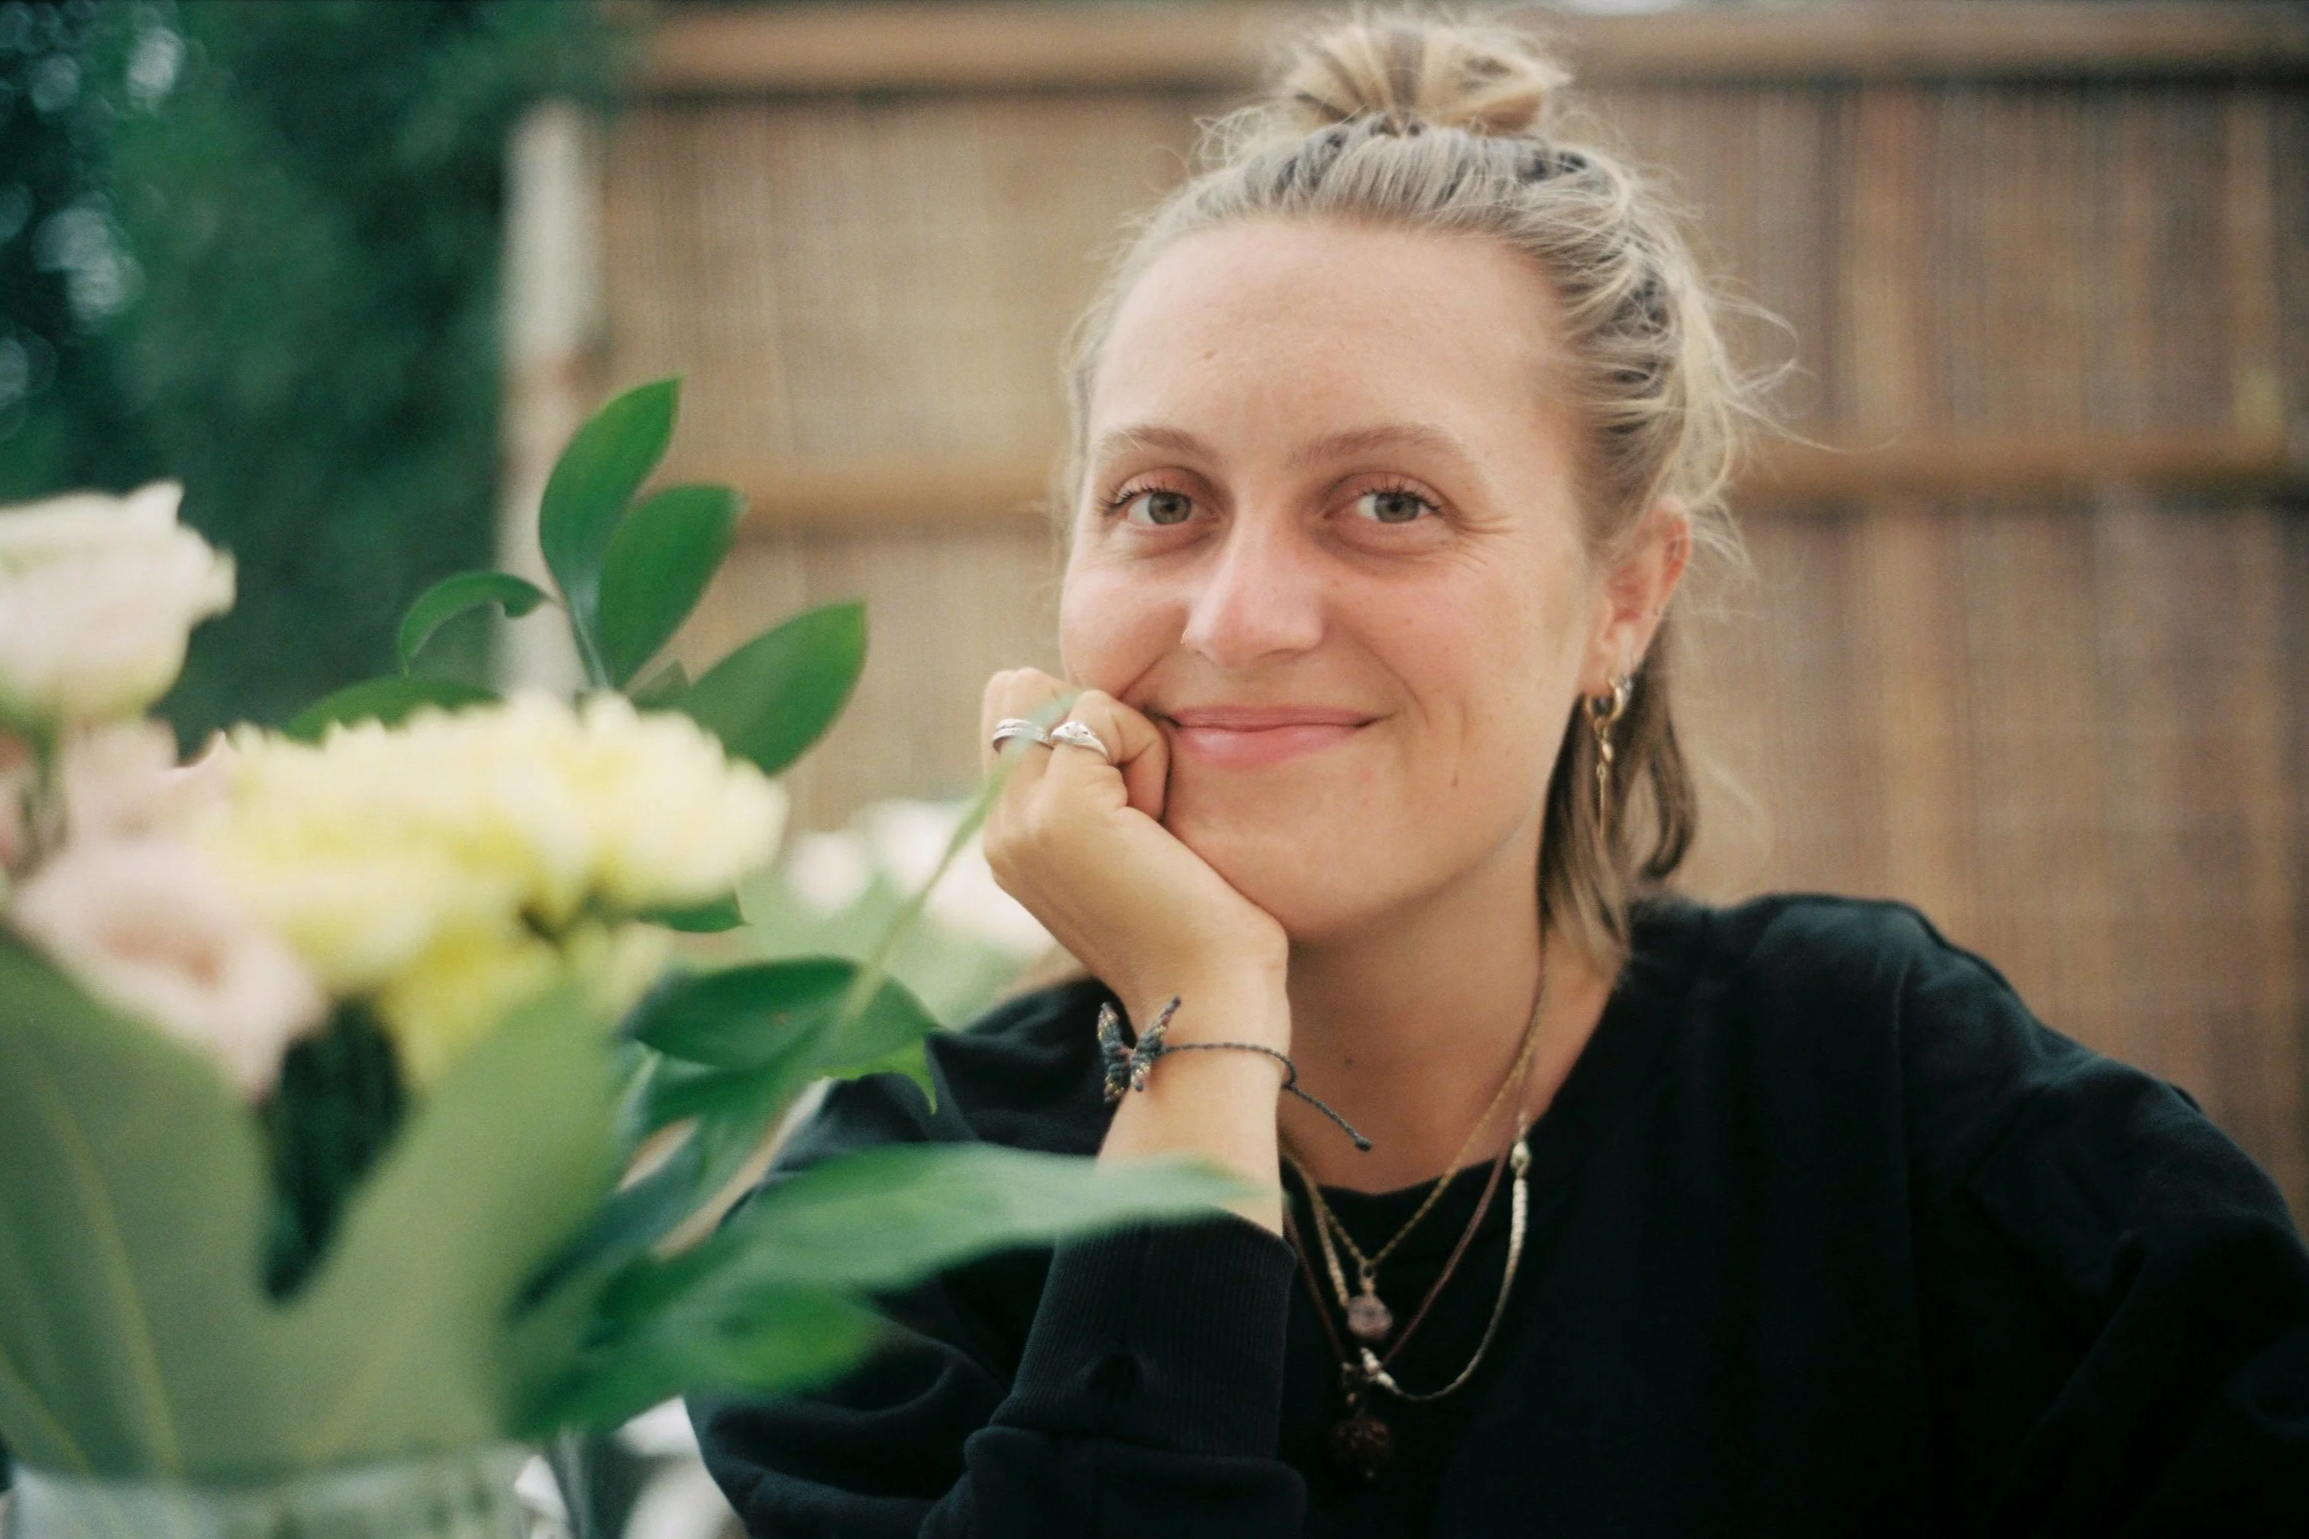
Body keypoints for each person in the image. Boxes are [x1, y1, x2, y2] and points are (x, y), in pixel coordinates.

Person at [693, 15, 2309, 1536]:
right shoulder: (894, 1212)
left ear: (1624, 597)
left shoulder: (1891, 1106)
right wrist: (1198, 1032)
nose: (1240, 618)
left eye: (1389, 502)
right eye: (1161, 501)